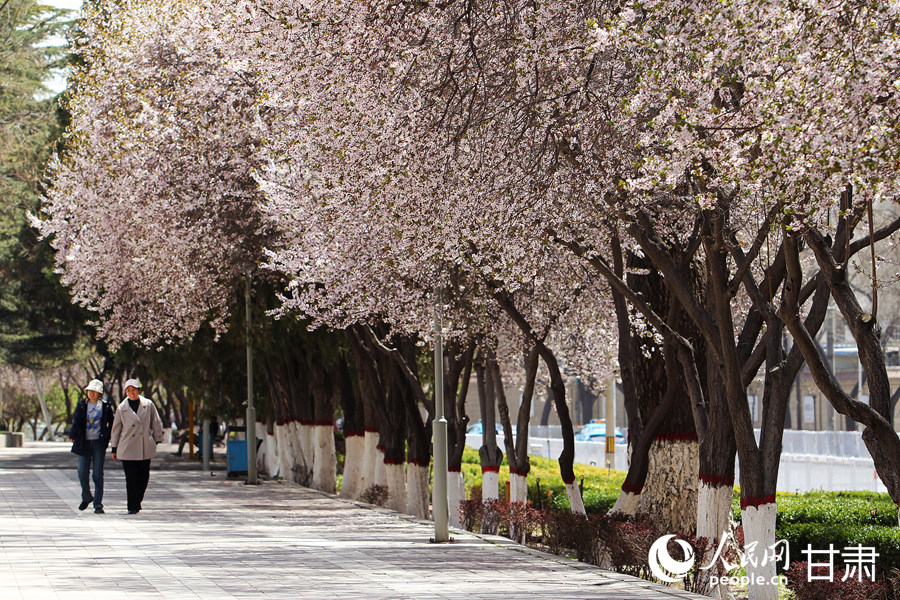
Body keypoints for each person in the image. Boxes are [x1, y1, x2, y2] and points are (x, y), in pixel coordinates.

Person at [110, 379, 164, 514]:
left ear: (139, 390)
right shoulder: (122, 408)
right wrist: (114, 447)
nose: (131, 393)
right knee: (131, 478)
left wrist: (156, 439)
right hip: (127, 447)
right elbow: (116, 429)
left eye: (133, 390)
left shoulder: (148, 404)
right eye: (128, 390)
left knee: (144, 477)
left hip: (144, 446)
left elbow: (156, 422)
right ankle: (132, 506)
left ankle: (137, 500)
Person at [69, 379, 115, 514]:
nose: (91, 394)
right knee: (82, 472)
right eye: (89, 391)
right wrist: (73, 434)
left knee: (97, 474)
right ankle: (87, 496)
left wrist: (107, 438)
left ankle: (98, 504)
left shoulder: (105, 406)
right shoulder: (82, 405)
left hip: (98, 444)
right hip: (84, 442)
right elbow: (76, 420)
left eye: (94, 391)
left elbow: (112, 424)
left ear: (99, 393)